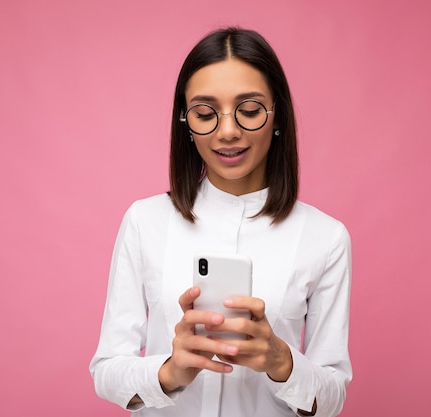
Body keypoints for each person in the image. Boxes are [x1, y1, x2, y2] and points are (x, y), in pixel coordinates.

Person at [89, 27, 352, 417]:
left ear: (276, 114)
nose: (228, 131)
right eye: (205, 113)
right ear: (186, 121)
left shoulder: (325, 238)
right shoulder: (144, 221)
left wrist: (282, 362)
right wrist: (170, 372)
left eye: (248, 110)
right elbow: (106, 370)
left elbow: (332, 397)